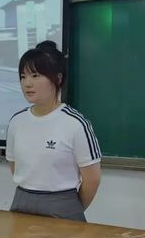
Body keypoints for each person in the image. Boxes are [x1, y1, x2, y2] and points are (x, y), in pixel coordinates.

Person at [6, 40, 101, 222]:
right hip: (21, 202)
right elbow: (14, 165)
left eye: (35, 76)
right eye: (23, 77)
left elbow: (92, 179)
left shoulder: (75, 123)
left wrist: (71, 207)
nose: (27, 83)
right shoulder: (16, 121)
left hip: (62, 204)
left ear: (58, 79)